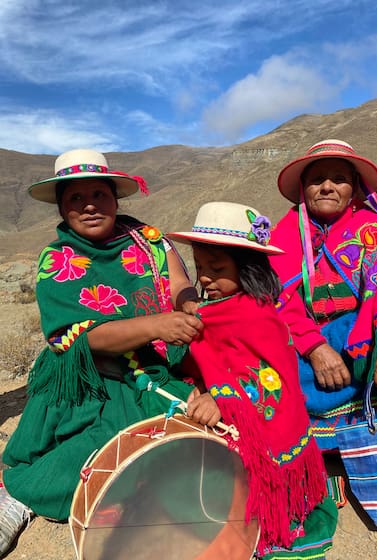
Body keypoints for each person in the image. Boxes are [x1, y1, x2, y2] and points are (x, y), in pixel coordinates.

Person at [0, 149, 219, 556]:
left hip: (153, 365)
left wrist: (188, 305)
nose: (89, 205)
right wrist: (157, 325)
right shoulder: (57, 260)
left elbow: (179, 286)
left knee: (193, 431)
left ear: (115, 199)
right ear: (63, 208)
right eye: (75, 198)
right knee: (103, 441)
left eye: (99, 194)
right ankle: (20, 496)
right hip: (89, 373)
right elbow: (77, 339)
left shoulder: (150, 242)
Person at [167, 201, 338, 560]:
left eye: (217, 268)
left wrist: (222, 398)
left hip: (259, 428)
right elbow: (209, 359)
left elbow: (273, 379)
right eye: (200, 267)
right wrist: (198, 384)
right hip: (229, 423)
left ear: (246, 268)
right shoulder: (214, 311)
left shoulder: (260, 315)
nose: (206, 278)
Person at [269, 139, 377, 451]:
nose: (326, 187)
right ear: (303, 188)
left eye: (338, 179)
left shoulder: (371, 228)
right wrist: (315, 347)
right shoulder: (283, 236)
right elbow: (274, 297)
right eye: (316, 180)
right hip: (300, 344)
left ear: (354, 188)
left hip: (359, 337)